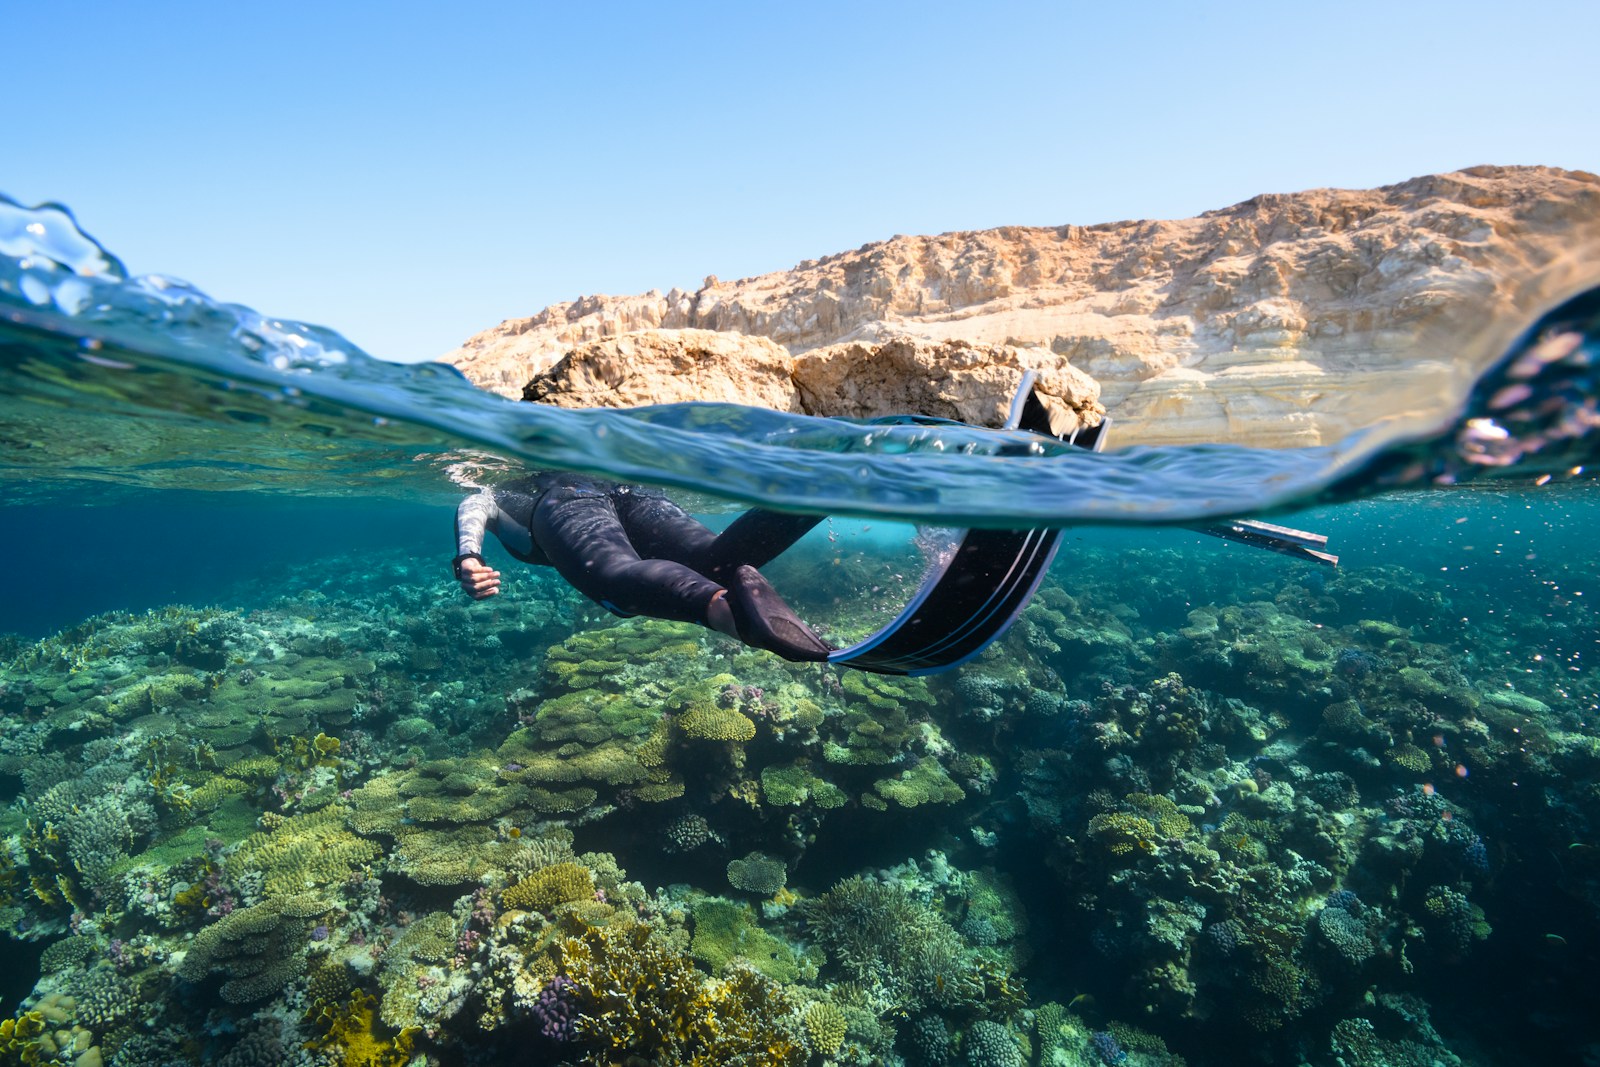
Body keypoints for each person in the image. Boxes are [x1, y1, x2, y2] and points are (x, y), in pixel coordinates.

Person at [453, 472, 832, 662]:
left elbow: (478, 501)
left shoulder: (515, 490)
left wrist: (468, 554)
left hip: (568, 497)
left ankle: (728, 613)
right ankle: (829, 486)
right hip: (634, 490)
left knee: (617, 587)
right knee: (713, 561)